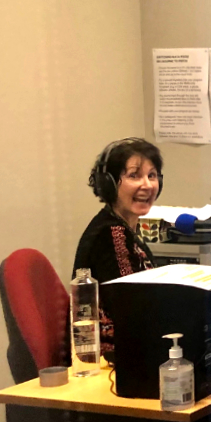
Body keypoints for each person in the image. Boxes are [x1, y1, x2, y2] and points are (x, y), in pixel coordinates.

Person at [73, 138, 163, 356]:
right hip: (114, 362)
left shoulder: (122, 227)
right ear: (109, 183)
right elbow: (132, 306)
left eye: (152, 175)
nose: (147, 185)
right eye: (134, 175)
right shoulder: (112, 234)